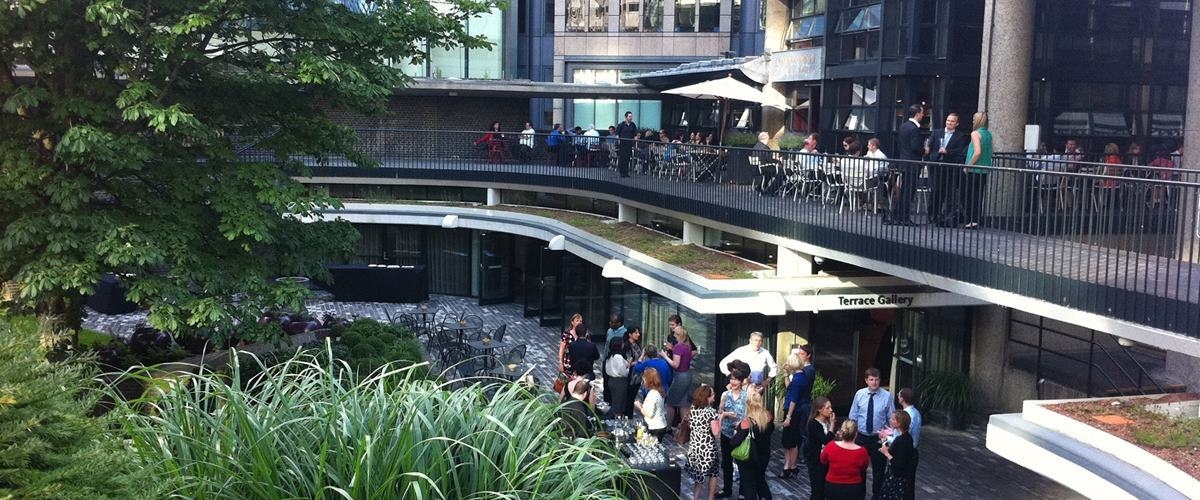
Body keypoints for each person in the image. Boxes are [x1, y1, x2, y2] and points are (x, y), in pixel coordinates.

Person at [848, 368, 894, 498]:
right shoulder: (859, 394)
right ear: (866, 381)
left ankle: (876, 495)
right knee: (859, 468)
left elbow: (891, 419)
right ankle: (860, 494)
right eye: (871, 380)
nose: (874, 382)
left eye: (877, 380)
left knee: (879, 470)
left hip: (878, 438)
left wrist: (888, 435)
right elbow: (853, 416)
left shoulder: (886, 396)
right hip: (861, 437)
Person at [925, 113, 970, 226]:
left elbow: (959, 151)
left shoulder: (959, 136)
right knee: (935, 191)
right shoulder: (936, 132)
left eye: (952, 121)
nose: (949, 123)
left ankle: (944, 217)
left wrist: (948, 152)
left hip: (949, 168)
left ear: (957, 123)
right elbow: (929, 148)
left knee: (947, 192)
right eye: (948, 121)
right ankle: (932, 215)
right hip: (936, 165)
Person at [730, 390, 774, 500]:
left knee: (749, 485)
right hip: (764, 455)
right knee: (761, 480)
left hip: (749, 457)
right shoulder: (768, 417)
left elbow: (735, 442)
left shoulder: (746, 422)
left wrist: (737, 430)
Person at [779, 345, 815, 478]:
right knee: (789, 439)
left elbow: (794, 398)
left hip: (794, 410)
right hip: (793, 409)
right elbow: (789, 386)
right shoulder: (798, 376)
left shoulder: (801, 378)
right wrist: (786, 374)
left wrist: (788, 417)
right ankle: (789, 465)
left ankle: (790, 465)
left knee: (791, 439)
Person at [889, 104, 925, 226]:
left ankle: (897, 214)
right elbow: (915, 147)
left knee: (904, 190)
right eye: (922, 113)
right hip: (912, 163)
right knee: (909, 192)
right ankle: (903, 217)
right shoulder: (914, 129)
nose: (923, 115)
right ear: (917, 113)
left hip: (904, 162)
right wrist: (924, 150)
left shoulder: (903, 126)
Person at [716, 369, 749, 498]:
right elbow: (720, 410)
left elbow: (749, 415)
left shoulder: (746, 396)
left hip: (740, 433)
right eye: (731, 379)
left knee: (741, 461)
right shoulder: (725, 394)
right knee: (727, 462)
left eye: (736, 379)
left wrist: (741, 422)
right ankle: (727, 489)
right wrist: (724, 414)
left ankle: (742, 491)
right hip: (726, 431)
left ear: (741, 382)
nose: (733, 382)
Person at [687, 385, 722, 500]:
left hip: (695, 447)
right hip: (707, 449)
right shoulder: (711, 412)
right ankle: (710, 498)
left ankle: (695, 498)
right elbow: (716, 432)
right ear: (707, 397)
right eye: (713, 395)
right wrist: (721, 417)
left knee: (698, 477)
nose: (714, 397)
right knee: (713, 474)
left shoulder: (693, 409)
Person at [821, 420, 870, 500]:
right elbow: (864, 467)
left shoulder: (831, 446)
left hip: (833, 485)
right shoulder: (862, 451)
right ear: (856, 434)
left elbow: (823, 460)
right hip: (853, 487)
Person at [962, 111, 993, 230]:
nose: (973, 121)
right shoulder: (988, 134)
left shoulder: (975, 133)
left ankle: (970, 219)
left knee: (968, 195)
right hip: (984, 169)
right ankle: (975, 219)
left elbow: (977, 152)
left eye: (974, 119)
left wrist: (968, 166)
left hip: (974, 168)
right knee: (978, 195)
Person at [878, 411, 917, 500]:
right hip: (901, 476)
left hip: (897, 478)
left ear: (899, 423)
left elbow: (899, 463)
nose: (891, 420)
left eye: (893, 419)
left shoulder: (901, 440)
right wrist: (884, 442)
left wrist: (886, 453)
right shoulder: (907, 437)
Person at [662, 325, 695, 429]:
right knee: (683, 403)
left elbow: (675, 364)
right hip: (687, 375)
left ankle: (667, 427)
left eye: (675, 333)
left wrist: (664, 356)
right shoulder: (687, 346)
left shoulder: (678, 347)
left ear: (678, 335)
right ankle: (685, 429)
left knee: (670, 402)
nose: (673, 335)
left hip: (680, 376)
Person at [804, 396, 837, 500]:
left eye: (830, 407)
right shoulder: (813, 424)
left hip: (827, 460)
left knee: (825, 489)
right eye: (827, 408)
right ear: (819, 409)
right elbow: (825, 440)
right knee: (817, 490)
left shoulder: (826, 422)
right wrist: (832, 425)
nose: (831, 410)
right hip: (816, 461)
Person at [634, 368, 669, 440]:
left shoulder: (652, 394)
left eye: (644, 379)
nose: (643, 381)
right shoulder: (660, 390)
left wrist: (639, 407)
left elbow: (649, 414)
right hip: (661, 424)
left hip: (655, 426)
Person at [604, 337, 632, 418]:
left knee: (615, 401)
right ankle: (617, 420)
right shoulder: (618, 357)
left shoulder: (610, 356)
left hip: (611, 380)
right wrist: (629, 366)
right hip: (619, 382)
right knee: (619, 404)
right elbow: (624, 372)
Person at [623, 324, 645, 416]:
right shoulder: (627, 346)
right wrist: (641, 360)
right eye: (636, 333)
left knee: (632, 397)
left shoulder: (636, 344)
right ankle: (628, 416)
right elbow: (628, 364)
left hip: (638, 376)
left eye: (638, 332)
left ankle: (629, 415)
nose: (638, 334)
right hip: (631, 376)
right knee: (629, 398)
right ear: (630, 334)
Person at [558, 313, 583, 378]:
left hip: (580, 362)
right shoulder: (567, 334)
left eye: (580, 321)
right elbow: (561, 349)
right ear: (572, 322)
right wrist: (561, 362)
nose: (579, 323)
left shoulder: (584, 334)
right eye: (577, 321)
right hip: (568, 362)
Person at [615, 111, 638, 177]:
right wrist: (618, 140)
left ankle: (626, 172)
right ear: (626, 117)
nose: (631, 118)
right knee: (622, 158)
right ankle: (622, 172)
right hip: (622, 144)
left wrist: (635, 139)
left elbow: (635, 133)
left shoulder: (633, 125)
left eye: (631, 116)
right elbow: (617, 134)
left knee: (627, 158)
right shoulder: (621, 124)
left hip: (629, 144)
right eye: (629, 116)